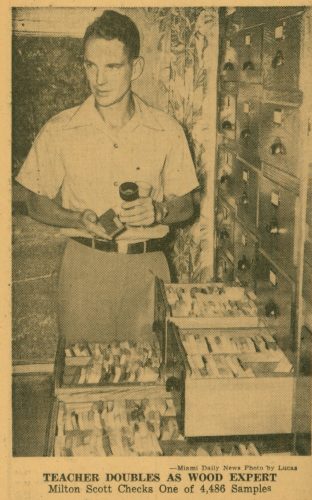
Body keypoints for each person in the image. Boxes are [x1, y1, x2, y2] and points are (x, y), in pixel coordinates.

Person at [16, 10, 199, 344]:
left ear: (136, 68)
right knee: (83, 377)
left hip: (148, 269)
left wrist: (159, 212)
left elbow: (187, 204)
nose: (98, 79)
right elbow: (34, 202)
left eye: (112, 67)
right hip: (85, 268)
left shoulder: (167, 130)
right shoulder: (60, 130)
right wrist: (76, 217)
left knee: (151, 375)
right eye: (90, 65)